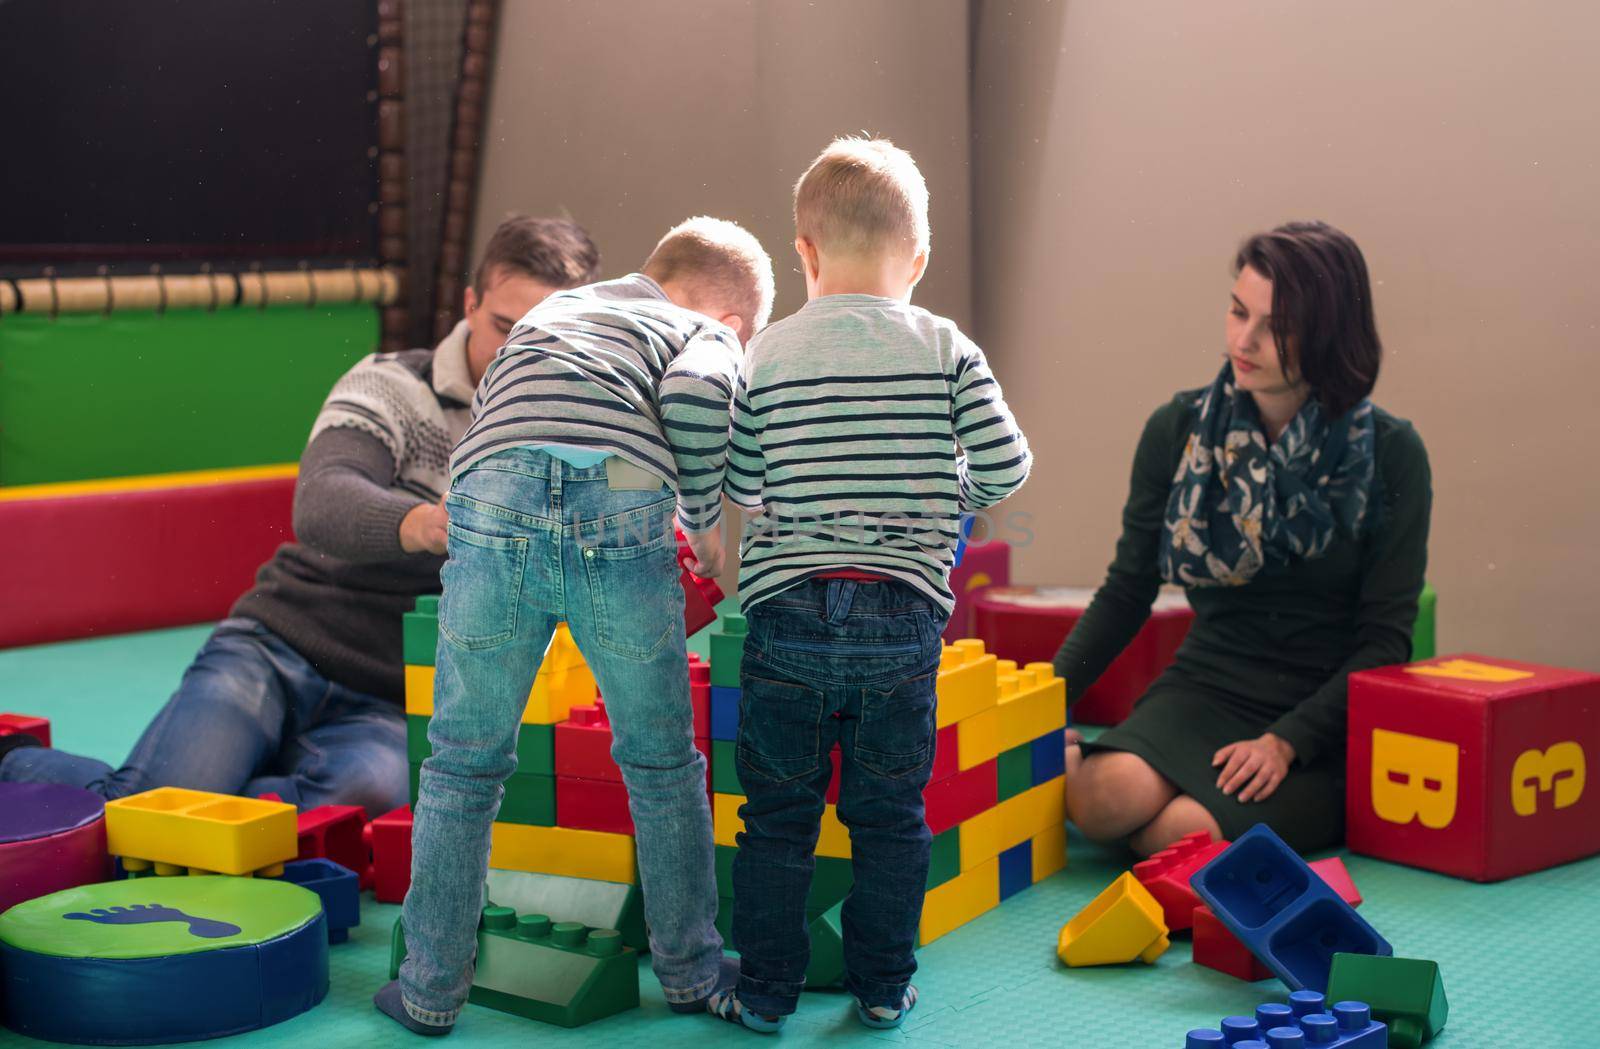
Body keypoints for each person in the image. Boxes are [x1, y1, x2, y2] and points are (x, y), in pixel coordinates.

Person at [0, 217, 601, 815]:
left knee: (355, 801)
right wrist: (426, 523)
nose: (521, 351)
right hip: (280, 646)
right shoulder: (392, 384)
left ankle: (224, 796)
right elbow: (322, 501)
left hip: (391, 697)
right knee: (152, 809)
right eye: (505, 327)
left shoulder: (574, 434)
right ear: (470, 304)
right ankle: (16, 762)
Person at [376, 216, 775, 1035]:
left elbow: (505, 423)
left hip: (490, 497)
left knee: (462, 764)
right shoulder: (703, 332)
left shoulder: (566, 310)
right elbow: (700, 399)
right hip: (618, 503)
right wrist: (701, 520)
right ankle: (693, 973)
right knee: (661, 761)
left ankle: (429, 988)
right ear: (734, 320)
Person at [711, 138, 1031, 1033]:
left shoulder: (766, 352)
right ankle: (884, 984)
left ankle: (766, 991)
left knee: (776, 818)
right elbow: (1007, 467)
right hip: (902, 618)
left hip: (788, 612)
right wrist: (946, 489)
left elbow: (740, 481)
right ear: (918, 259)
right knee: (890, 815)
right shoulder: (944, 346)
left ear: (804, 253)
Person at [1058, 221, 1431, 857]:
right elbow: (1128, 589)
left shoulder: (1392, 453)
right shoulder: (1177, 428)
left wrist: (1287, 741)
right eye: (1237, 312)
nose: (1245, 340)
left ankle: (1207, 821)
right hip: (1207, 681)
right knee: (1100, 800)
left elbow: (1385, 640)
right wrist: (1043, 700)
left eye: (1275, 326)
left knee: (1180, 834)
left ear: (1327, 336)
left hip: (1320, 713)